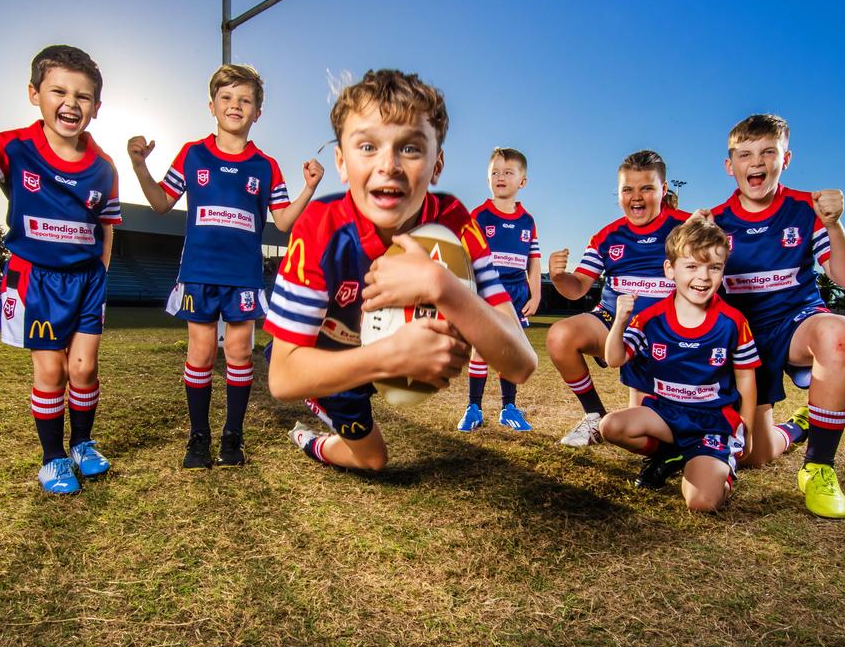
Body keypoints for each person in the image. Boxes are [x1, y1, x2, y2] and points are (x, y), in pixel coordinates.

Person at [265, 69, 537, 472]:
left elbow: (521, 363)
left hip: (379, 356)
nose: (388, 165)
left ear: (437, 164)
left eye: (410, 148)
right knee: (374, 460)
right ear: (341, 162)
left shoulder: (455, 222)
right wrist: (389, 356)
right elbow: (283, 377)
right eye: (368, 146)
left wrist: (440, 284)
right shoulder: (321, 228)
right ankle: (311, 437)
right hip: (329, 364)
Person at [0, 45, 121, 494]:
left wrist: (102, 274)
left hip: (88, 280)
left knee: (84, 367)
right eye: (59, 90)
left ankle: (81, 443)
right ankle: (52, 458)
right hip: (34, 277)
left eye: (84, 96)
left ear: (96, 108)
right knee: (52, 371)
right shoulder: (13, 147)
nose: (71, 103)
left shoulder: (103, 167)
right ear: (35, 93)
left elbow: (107, 227)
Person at [128, 64, 323, 468]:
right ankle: (197, 439)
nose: (236, 105)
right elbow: (161, 204)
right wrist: (139, 166)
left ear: (258, 112)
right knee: (199, 353)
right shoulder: (192, 153)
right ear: (212, 106)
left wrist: (309, 188)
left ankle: (232, 438)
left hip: (243, 277)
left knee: (238, 352)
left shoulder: (265, 166)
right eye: (227, 98)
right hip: (199, 273)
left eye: (245, 100)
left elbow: (284, 222)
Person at [706, 114, 845, 518]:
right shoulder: (714, 221)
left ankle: (820, 466)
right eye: (745, 154)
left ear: (785, 159)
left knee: (840, 334)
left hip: (795, 323)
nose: (756, 163)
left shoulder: (806, 209)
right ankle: (799, 425)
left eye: (767, 152)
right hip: (744, 339)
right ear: (730, 165)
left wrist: (835, 224)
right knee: (758, 457)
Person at [599, 218, 759, 512]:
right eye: (692, 266)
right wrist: (620, 321)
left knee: (702, 503)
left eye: (714, 267)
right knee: (611, 426)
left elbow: (746, 377)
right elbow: (614, 359)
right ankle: (671, 454)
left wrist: (746, 427)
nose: (703, 276)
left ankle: (717, 465)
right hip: (666, 416)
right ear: (670, 270)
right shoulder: (651, 318)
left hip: (711, 421)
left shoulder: (733, 322)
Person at [546, 151, 689, 447]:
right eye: (627, 189)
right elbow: (578, 288)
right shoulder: (607, 237)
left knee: (649, 429)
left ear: (663, 190)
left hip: (670, 330)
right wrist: (559, 278)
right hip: (616, 323)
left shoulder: (686, 228)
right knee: (560, 336)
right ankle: (594, 416)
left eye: (646, 188)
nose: (636, 197)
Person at [458, 147, 542, 432]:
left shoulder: (528, 221)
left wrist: (536, 293)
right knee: (481, 349)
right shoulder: (480, 215)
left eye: (508, 172)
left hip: (517, 293)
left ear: (522, 181)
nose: (500, 177)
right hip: (487, 291)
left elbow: (534, 261)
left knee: (509, 351)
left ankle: (509, 408)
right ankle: (474, 408)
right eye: (494, 172)